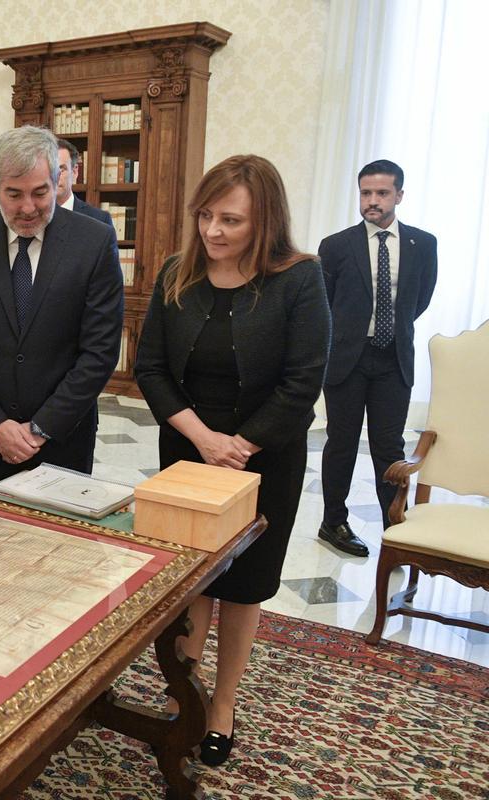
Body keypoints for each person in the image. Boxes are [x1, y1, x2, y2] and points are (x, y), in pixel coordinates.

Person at [134, 154, 330, 766]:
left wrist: (238, 447)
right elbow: (151, 369)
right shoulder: (176, 274)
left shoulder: (299, 279)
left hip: (265, 456)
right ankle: (183, 686)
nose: (213, 232)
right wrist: (204, 441)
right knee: (191, 575)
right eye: (205, 216)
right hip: (188, 449)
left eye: (231, 220)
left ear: (264, 222)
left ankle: (223, 703)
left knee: (243, 585)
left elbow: (302, 383)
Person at [0, 125, 123, 495]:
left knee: (61, 545)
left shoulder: (94, 241)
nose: (27, 208)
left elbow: (100, 351)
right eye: (13, 194)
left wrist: (40, 428)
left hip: (64, 437)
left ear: (58, 181)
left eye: (40, 193)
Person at [318, 159, 438, 557]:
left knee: (389, 448)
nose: (372, 201)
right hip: (347, 359)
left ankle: (394, 527)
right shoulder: (336, 246)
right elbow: (327, 303)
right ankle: (332, 521)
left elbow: (418, 301)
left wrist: (387, 328)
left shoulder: (424, 244)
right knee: (342, 443)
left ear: (399, 195)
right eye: (366, 193)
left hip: (393, 360)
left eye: (382, 193)